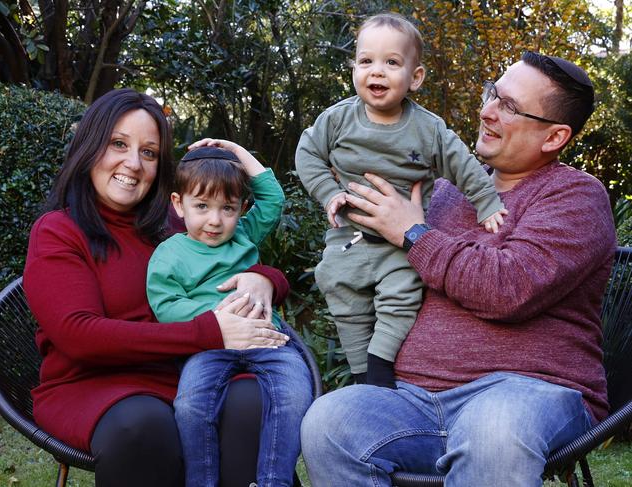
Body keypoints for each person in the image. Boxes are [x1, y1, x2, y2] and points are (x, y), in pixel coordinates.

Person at [300, 51, 617, 487]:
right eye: (493, 95)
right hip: (412, 396)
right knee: (330, 420)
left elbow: (509, 287)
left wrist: (413, 234)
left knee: (494, 428)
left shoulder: (576, 196)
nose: (486, 111)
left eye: (508, 106)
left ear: (554, 137)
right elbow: (382, 265)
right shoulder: (444, 191)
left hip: (529, 392)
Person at [23, 88, 292, 487]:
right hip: (93, 385)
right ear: (89, 146)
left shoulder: (175, 221)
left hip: (186, 374)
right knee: (144, 424)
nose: (132, 164)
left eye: (148, 152)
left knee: (253, 401)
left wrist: (265, 279)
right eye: (118, 144)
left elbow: (235, 258)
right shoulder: (59, 232)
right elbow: (79, 335)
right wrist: (210, 332)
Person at [295, 13, 506, 388]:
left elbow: (463, 165)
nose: (377, 72)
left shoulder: (428, 130)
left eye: (392, 63)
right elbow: (307, 154)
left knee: (402, 295)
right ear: (354, 68)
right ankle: (362, 373)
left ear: (416, 77)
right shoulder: (338, 119)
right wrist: (329, 193)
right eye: (366, 61)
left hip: (400, 244)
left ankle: (379, 365)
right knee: (337, 286)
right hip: (350, 236)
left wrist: (487, 201)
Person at [146, 139, 313, 487]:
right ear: (179, 204)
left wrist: (236, 151)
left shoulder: (244, 235)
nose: (215, 220)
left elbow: (274, 199)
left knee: (295, 395)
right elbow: (166, 305)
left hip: (267, 339)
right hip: (209, 347)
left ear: (241, 209)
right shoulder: (170, 253)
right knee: (192, 406)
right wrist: (219, 315)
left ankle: (273, 481)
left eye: (228, 208)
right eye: (202, 206)